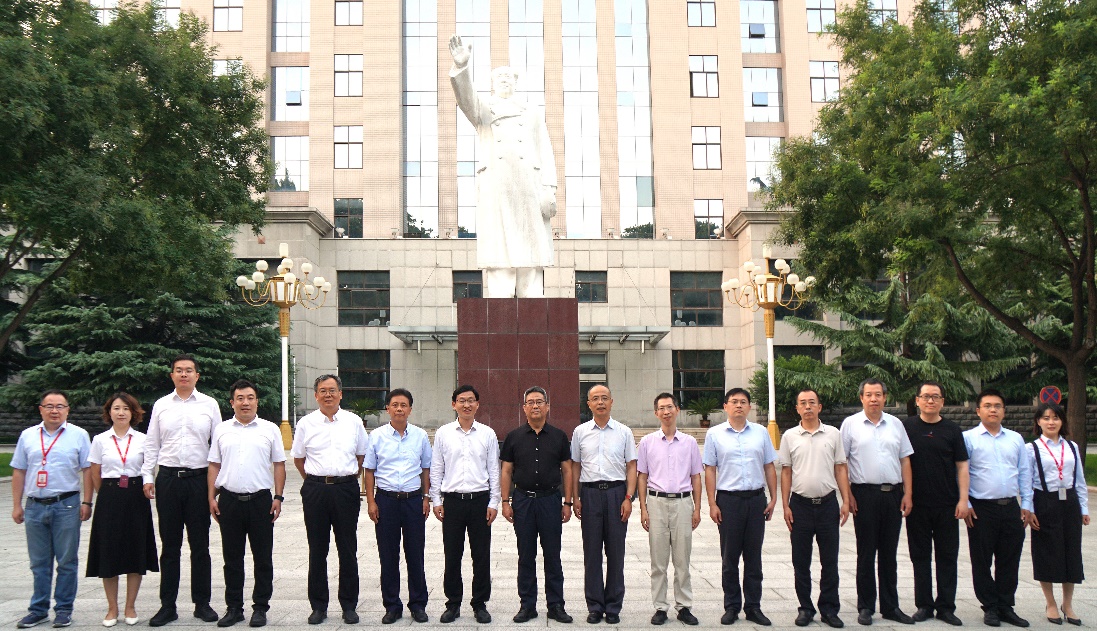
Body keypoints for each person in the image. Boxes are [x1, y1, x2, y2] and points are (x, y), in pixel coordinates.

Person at [448, 34, 557, 299]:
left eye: (508, 77)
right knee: (499, 246)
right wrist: (461, 66)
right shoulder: (483, 108)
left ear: (516, 82)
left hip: (528, 184)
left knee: (530, 245)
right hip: (497, 182)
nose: (504, 80)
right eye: (499, 78)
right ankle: (500, 298)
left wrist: (549, 188)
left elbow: (544, 149)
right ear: (492, 83)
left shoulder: (531, 111)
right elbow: (466, 100)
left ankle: (532, 296)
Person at [141, 354, 223, 627]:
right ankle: (168, 606)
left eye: (189, 370)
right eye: (179, 370)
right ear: (172, 375)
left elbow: (218, 445)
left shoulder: (209, 405)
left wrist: (216, 485)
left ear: (197, 376)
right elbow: (152, 443)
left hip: (198, 480)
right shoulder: (161, 405)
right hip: (168, 480)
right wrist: (147, 476)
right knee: (170, 546)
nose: (184, 374)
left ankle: (202, 604)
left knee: (200, 545)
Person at [11, 390, 93, 629]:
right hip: (35, 505)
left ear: (67, 410)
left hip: (66, 504)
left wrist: (87, 502)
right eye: (49, 406)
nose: (54, 411)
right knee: (39, 562)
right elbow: (19, 470)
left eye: (60, 406)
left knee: (67, 561)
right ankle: (38, 610)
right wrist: (16, 505)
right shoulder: (28, 435)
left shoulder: (79, 435)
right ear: (41, 409)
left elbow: (88, 470)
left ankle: (64, 609)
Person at [207, 380, 286, 628]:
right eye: (240, 398)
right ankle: (234, 608)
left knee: (263, 559)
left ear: (257, 402)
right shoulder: (221, 430)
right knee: (232, 558)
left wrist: (278, 497)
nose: (245, 402)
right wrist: (211, 497)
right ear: (232, 402)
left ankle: (260, 607)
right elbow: (214, 464)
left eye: (250, 397)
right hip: (229, 501)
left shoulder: (270, 429)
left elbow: (279, 464)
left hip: (260, 501)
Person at [290, 375, 368, 625]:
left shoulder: (354, 422)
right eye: (323, 391)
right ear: (316, 395)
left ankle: (349, 605)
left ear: (340, 394)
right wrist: (316, 480)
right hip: (316, 490)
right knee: (317, 549)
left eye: (332, 390)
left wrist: (345, 478)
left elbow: (361, 456)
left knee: (348, 549)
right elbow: (299, 459)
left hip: (345, 489)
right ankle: (318, 606)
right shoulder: (306, 423)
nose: (328, 395)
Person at [840, 379, 914, 626]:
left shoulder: (896, 424)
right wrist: (847, 495)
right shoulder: (850, 424)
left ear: (885, 397)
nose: (874, 399)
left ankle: (891, 606)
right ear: (861, 397)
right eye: (869, 395)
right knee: (866, 552)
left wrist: (908, 493)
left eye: (878, 394)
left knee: (889, 553)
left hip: (893, 494)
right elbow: (842, 462)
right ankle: (866, 606)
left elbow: (905, 460)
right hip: (864, 495)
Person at [500, 386, 575, 624]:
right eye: (530, 402)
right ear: (524, 408)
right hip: (522, 501)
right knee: (526, 555)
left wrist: (567, 502)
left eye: (539, 402)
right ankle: (527, 605)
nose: (535, 406)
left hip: (550, 500)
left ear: (547, 406)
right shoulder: (513, 437)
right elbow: (506, 470)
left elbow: (567, 470)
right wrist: (505, 501)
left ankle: (556, 605)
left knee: (553, 555)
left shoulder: (559, 436)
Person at [703, 388, 777, 626]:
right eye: (734, 402)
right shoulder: (715, 434)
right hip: (729, 501)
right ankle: (732, 606)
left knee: (754, 558)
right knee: (730, 557)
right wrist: (712, 503)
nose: (738, 405)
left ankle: (754, 607)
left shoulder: (760, 432)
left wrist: (773, 498)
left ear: (749, 407)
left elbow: (769, 466)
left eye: (743, 402)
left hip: (756, 500)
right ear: (725, 406)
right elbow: (710, 469)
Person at [779, 388, 851, 629]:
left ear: (819, 407)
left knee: (830, 561)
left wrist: (845, 500)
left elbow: (840, 467)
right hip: (800, 505)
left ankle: (829, 609)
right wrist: (785, 505)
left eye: (812, 402)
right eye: (803, 403)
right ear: (797, 408)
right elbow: (786, 471)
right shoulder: (790, 436)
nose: (807, 406)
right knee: (801, 562)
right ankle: (805, 608)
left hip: (828, 505)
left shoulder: (833, 434)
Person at [430, 385, 501, 624]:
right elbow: (437, 468)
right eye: (462, 400)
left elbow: (494, 469)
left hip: (480, 501)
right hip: (452, 502)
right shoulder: (443, 433)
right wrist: (436, 499)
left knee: (481, 556)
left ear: (477, 405)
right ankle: (453, 604)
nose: (466, 405)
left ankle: (480, 604)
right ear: (454, 404)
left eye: (471, 401)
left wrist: (494, 501)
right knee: (452, 555)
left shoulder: (487, 434)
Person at [86, 392, 158, 627]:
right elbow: (95, 472)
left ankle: (130, 606)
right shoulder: (100, 440)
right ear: (109, 412)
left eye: (126, 408)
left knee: (134, 550)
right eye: (116, 408)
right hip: (109, 497)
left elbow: (148, 467)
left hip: (136, 497)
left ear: (133, 413)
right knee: (109, 551)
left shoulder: (142, 439)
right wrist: (107, 494)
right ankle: (112, 608)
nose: (121, 413)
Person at [963, 389, 1033, 628]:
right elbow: (961, 472)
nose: (993, 410)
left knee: (1010, 559)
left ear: (1004, 410)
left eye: (997, 406)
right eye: (988, 406)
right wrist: (966, 503)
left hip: (1011, 507)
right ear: (978, 411)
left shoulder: (1015, 439)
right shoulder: (968, 438)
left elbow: (1024, 472)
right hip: (981, 509)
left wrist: (1027, 504)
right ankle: (990, 606)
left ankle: (1005, 605)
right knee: (982, 560)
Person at [362, 388, 432, 625]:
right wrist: (371, 501)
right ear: (388, 408)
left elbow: (426, 469)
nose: (399, 409)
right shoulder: (377, 436)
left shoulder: (420, 436)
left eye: (403, 405)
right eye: (395, 405)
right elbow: (369, 470)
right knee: (388, 555)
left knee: (415, 554)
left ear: (410, 409)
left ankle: (418, 604)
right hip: (386, 501)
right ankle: (392, 606)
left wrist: (426, 498)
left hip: (413, 501)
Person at [902, 382, 969, 626]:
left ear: (942, 401)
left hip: (947, 505)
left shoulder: (952, 430)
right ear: (917, 400)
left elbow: (962, 466)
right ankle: (924, 605)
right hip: (917, 505)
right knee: (920, 556)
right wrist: (906, 495)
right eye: (926, 396)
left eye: (935, 397)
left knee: (947, 557)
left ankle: (946, 607)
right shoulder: (907, 427)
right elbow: (902, 461)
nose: (930, 401)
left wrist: (963, 499)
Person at [570, 384, 637, 625]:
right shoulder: (580, 432)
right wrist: (575, 497)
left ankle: (613, 606)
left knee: (616, 552)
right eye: (595, 398)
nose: (600, 402)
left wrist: (629, 497)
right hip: (589, 495)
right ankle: (595, 606)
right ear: (588, 404)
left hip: (616, 494)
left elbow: (632, 466)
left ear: (611, 401)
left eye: (604, 398)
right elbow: (575, 466)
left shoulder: (624, 432)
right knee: (592, 553)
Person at [637, 393, 703, 627]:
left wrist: (697, 508)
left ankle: (684, 606)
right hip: (656, 503)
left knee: (682, 559)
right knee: (658, 560)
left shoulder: (690, 443)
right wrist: (643, 508)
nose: (666, 412)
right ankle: (660, 607)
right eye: (661, 408)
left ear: (677, 410)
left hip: (683, 503)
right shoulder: (647, 443)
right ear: (656, 413)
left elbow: (696, 477)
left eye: (670, 407)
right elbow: (642, 477)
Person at [1026, 402, 1089, 626]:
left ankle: (1067, 604)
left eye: (1055, 418)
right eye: (1046, 418)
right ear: (1038, 421)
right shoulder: (1031, 448)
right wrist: (1029, 509)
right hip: (1044, 501)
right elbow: (1026, 481)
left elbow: (1079, 479)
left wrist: (1084, 508)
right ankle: (1050, 602)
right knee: (1046, 552)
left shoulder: (1071, 446)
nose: (1051, 422)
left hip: (1069, 502)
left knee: (1071, 552)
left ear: (1062, 421)